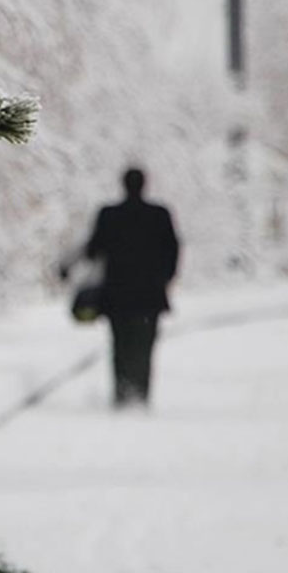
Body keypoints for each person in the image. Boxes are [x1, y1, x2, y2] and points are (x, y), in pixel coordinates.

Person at [70, 167, 179, 408]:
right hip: (149, 296)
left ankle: (122, 394)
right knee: (145, 347)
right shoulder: (159, 215)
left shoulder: (109, 215)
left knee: (120, 345)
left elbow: (93, 249)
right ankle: (140, 395)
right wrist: (163, 279)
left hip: (117, 295)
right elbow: (172, 251)